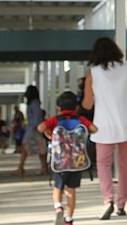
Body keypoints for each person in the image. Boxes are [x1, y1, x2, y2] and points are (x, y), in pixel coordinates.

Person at [82, 37, 127, 220]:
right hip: (126, 124)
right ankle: (122, 204)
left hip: (103, 127)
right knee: (124, 166)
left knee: (103, 165)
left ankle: (108, 200)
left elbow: (87, 104)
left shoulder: (93, 73)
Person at [38, 91, 99, 225]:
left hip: (59, 162)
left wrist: (50, 134)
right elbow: (94, 129)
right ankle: (69, 219)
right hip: (77, 162)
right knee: (71, 191)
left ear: (58, 108)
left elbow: (40, 127)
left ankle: (58, 207)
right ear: (76, 108)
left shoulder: (56, 119)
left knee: (57, 188)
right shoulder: (80, 119)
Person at [13, 85, 47, 176]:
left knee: (37, 148)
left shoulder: (34, 104)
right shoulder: (33, 104)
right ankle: (43, 167)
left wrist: (36, 128)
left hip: (34, 129)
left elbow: (37, 117)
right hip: (32, 129)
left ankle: (22, 168)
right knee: (40, 149)